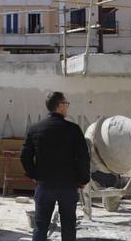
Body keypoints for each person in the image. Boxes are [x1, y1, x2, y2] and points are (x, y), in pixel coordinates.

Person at [21, 91, 90, 241]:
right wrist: (83, 180)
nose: (67, 107)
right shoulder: (73, 129)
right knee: (69, 226)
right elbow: (84, 157)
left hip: (45, 185)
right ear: (59, 106)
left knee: (40, 226)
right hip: (68, 186)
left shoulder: (35, 129)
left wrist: (34, 175)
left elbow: (24, 156)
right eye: (66, 104)